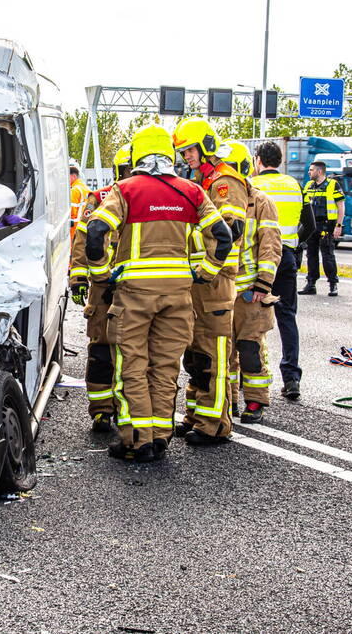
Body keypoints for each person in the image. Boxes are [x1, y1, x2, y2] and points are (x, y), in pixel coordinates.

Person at [84, 125, 231, 461]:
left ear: (137, 154)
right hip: (178, 295)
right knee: (165, 367)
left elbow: (96, 232)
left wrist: (102, 274)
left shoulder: (126, 190)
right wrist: (205, 273)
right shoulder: (191, 191)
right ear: (169, 154)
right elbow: (223, 236)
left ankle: (137, 440)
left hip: (134, 295)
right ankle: (161, 437)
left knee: (132, 365)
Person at [172, 118, 247, 445]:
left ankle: (215, 424)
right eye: (183, 151)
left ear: (205, 146)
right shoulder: (203, 182)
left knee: (214, 352)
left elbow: (229, 233)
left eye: (188, 150)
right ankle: (195, 415)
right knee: (197, 353)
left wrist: (205, 269)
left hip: (215, 281)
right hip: (200, 281)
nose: (186, 157)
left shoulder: (224, 183)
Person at [68, 144, 131, 432]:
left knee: (131, 352)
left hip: (132, 286)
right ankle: (102, 410)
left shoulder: (144, 196)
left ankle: (127, 409)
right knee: (101, 350)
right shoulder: (100, 197)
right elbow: (83, 236)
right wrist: (78, 277)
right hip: (104, 287)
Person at [222, 142, 282, 423]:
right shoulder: (215, 200)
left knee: (250, 348)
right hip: (221, 290)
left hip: (249, 291)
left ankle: (256, 401)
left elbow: (270, 244)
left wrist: (263, 284)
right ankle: (230, 399)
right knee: (224, 350)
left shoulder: (260, 202)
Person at [251, 141, 315, 400]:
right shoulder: (296, 185)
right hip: (287, 256)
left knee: (251, 321)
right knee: (287, 317)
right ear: (279, 161)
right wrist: (294, 244)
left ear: (258, 160)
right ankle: (291, 379)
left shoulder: (252, 185)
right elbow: (309, 224)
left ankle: (250, 378)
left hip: (257, 259)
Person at [300, 161, 344, 297]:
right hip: (311, 225)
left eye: (311, 170)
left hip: (327, 225)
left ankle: (332, 284)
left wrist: (338, 225)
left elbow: (341, 206)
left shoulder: (332, 185)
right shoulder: (308, 185)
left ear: (319, 172)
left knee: (327, 256)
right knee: (311, 256)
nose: (309, 172)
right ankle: (311, 284)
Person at [69, 163, 90, 240]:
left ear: (73, 176)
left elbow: (71, 213)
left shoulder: (74, 190)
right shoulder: (86, 188)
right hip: (84, 226)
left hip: (74, 228)